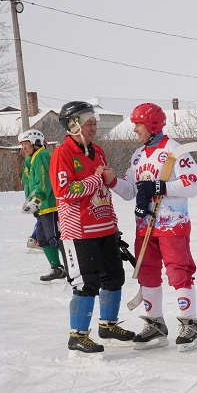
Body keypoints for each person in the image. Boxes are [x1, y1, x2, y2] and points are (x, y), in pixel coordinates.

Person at [50, 101, 136, 358]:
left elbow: (104, 192)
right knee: (86, 283)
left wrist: (114, 226)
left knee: (114, 278)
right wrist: (95, 179)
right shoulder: (62, 154)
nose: (94, 127)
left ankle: (108, 326)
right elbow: (64, 192)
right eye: (89, 123)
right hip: (78, 232)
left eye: (95, 122)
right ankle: (77, 335)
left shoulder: (98, 151)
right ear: (73, 125)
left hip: (104, 228)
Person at [121, 103, 197, 352]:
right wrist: (111, 180)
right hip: (145, 227)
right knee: (147, 273)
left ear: (152, 125)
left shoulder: (173, 150)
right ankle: (155, 324)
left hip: (172, 224)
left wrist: (161, 187)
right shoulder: (138, 156)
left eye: (138, 124)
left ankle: (189, 324)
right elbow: (130, 191)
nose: (135, 129)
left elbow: (194, 183)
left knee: (178, 273)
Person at [19, 128, 65, 281]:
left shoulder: (42, 155)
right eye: (22, 144)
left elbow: (44, 180)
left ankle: (74, 266)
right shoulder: (31, 158)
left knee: (54, 237)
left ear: (35, 142)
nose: (23, 147)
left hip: (49, 205)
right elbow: (29, 181)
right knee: (42, 238)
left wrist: (37, 199)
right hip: (40, 206)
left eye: (26, 143)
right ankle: (57, 268)